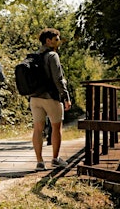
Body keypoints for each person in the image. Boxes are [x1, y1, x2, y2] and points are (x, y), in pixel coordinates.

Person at [30, 28, 72, 171]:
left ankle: (39, 162)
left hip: (35, 98)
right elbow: (58, 79)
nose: (58, 41)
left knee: (37, 129)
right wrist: (65, 96)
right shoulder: (52, 55)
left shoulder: (34, 56)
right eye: (56, 39)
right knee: (56, 127)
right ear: (48, 41)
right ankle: (55, 159)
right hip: (51, 97)